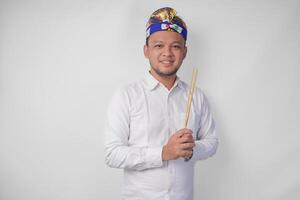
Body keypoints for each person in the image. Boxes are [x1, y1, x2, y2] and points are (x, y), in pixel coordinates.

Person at [104, 7, 218, 200]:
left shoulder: (196, 96)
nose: (167, 53)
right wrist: (164, 152)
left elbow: (212, 142)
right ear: (146, 51)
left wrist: (191, 149)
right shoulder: (126, 95)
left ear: (184, 52)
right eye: (158, 46)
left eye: (175, 46)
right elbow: (112, 154)